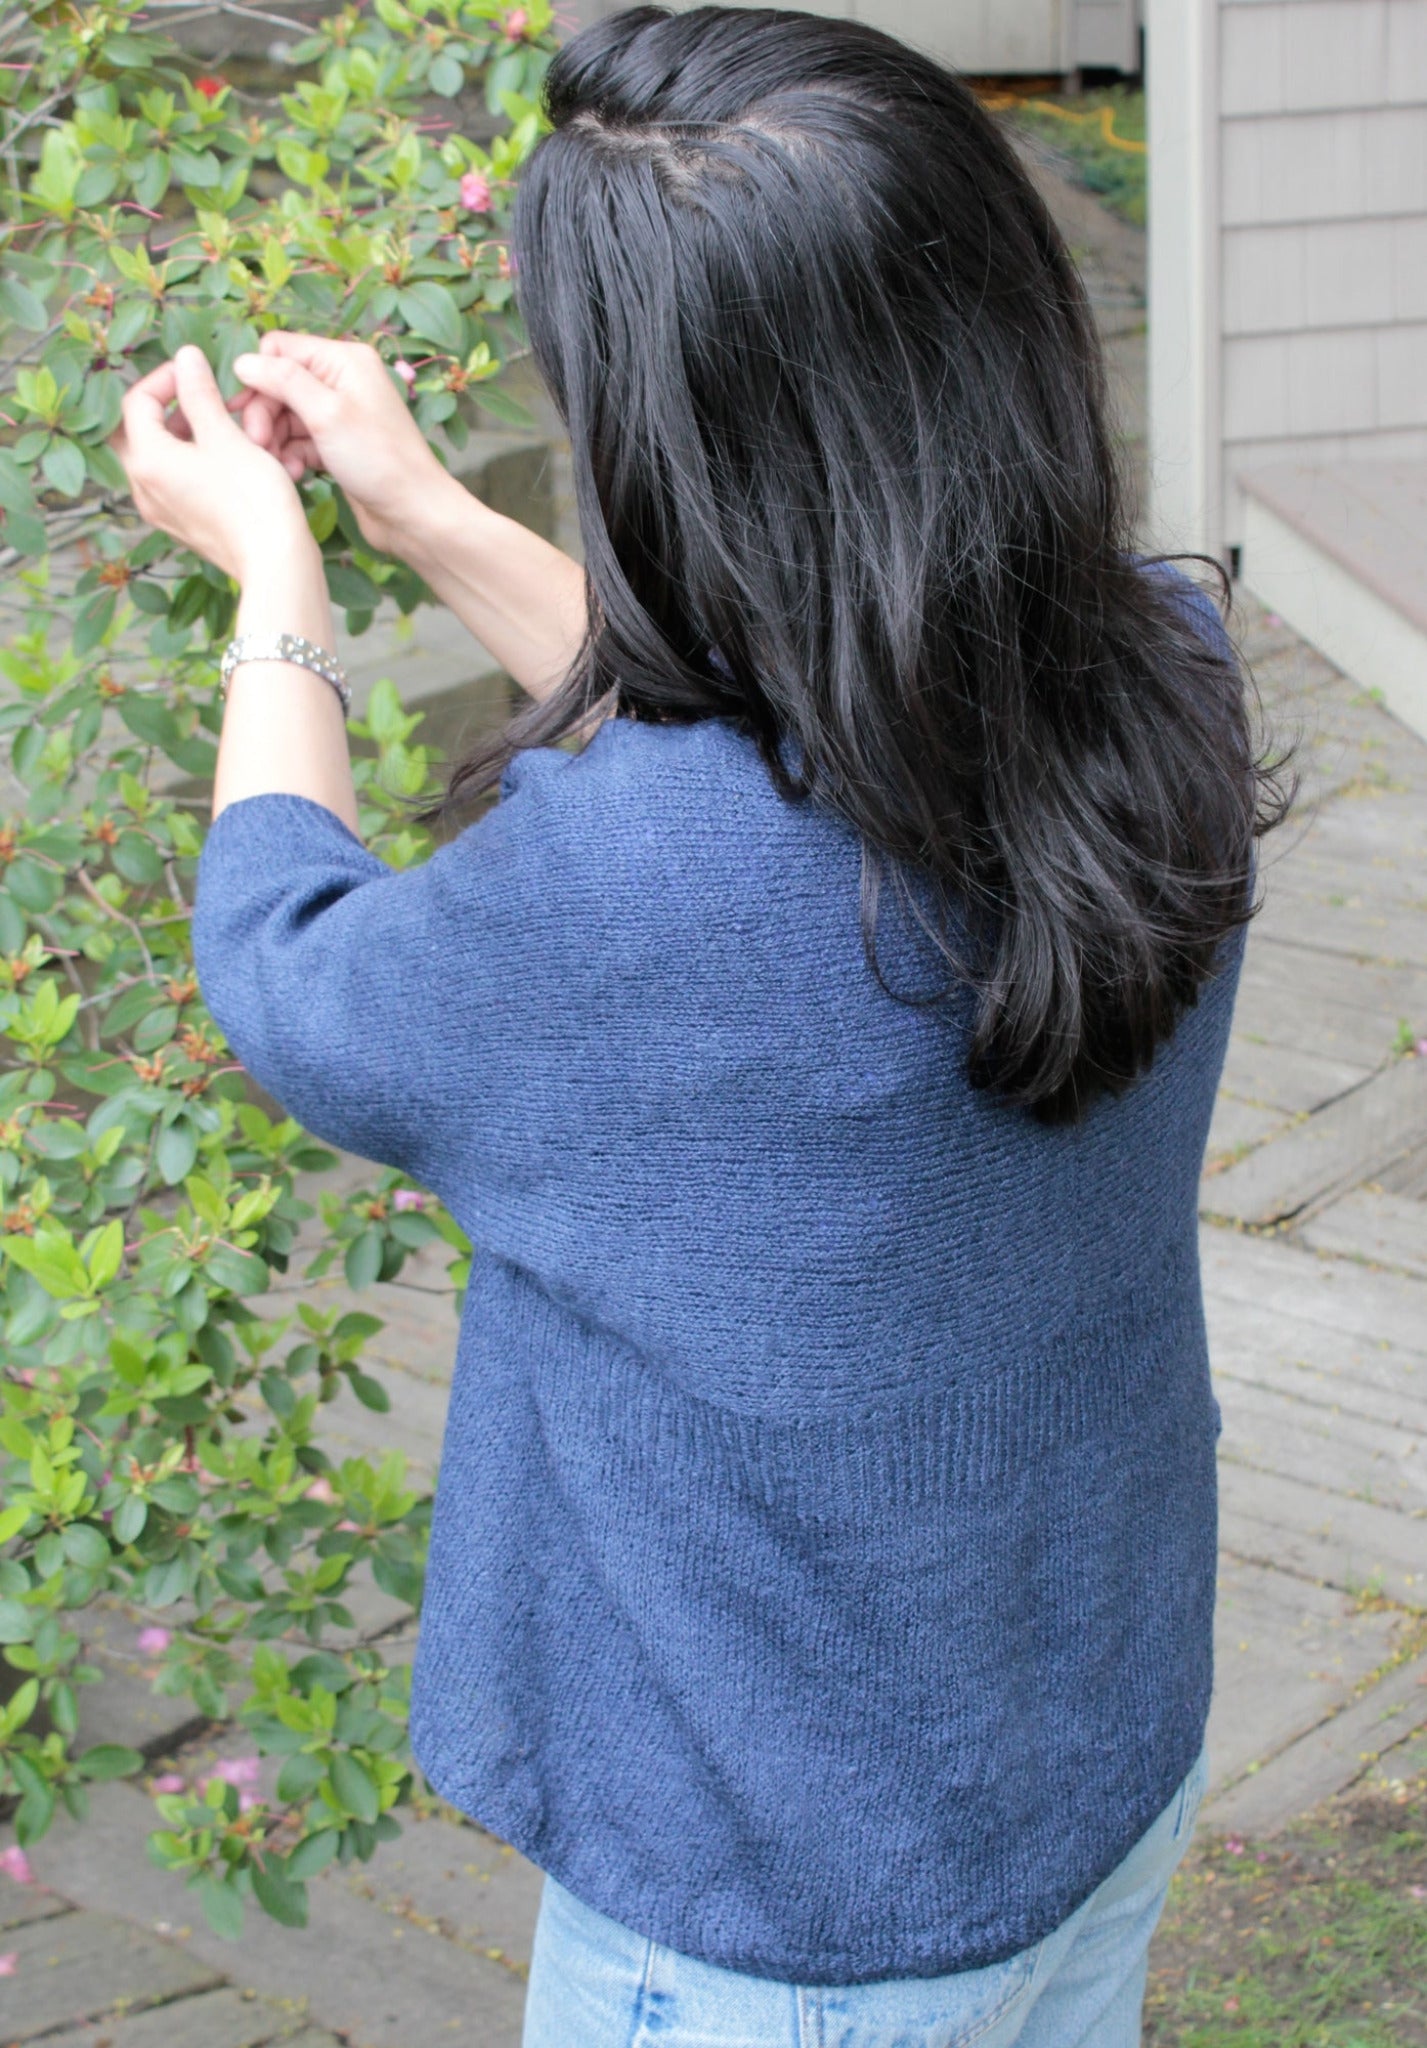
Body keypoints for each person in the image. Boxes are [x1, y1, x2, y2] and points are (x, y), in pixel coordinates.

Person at [111, 7, 1290, 2042]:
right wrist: (424, 512)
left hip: (778, 1925)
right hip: (1081, 1756)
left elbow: (291, 954)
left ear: (676, 442)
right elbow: (815, 758)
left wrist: (276, 578)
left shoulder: (622, 899)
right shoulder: (1156, 674)